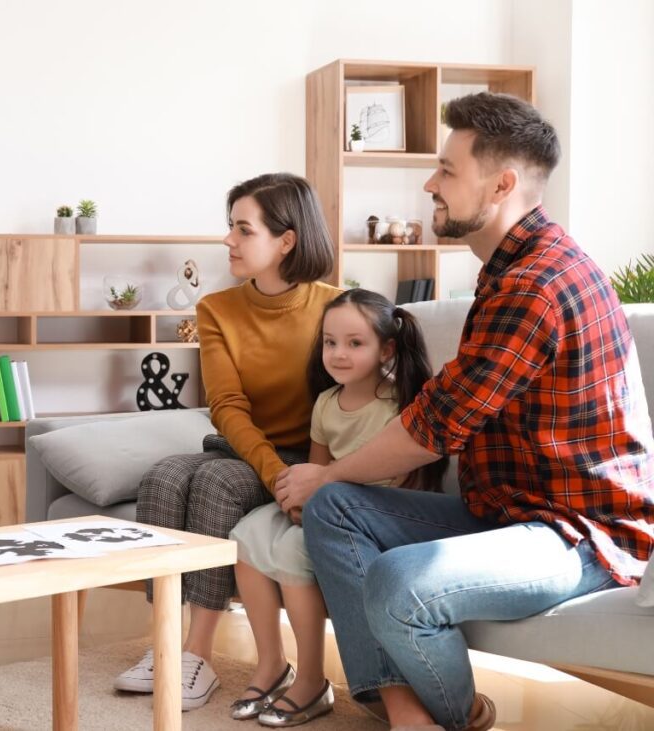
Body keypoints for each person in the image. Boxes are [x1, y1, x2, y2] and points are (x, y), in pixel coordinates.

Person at [277, 92, 654, 731]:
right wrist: (328, 486)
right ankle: (409, 713)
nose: (430, 184)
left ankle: (458, 713)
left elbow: (436, 427)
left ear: (502, 183)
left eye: (448, 171)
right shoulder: (503, 269)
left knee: (399, 580)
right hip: (505, 513)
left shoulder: (537, 283)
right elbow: (442, 407)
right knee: (333, 511)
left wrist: (329, 471)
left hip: (578, 532)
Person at [113, 172, 341, 710]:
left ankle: (197, 654)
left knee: (215, 481)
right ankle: (168, 643)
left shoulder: (337, 306)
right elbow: (227, 407)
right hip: (249, 451)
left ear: (287, 240)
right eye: (230, 227)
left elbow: (345, 405)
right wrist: (272, 475)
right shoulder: (217, 309)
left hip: (304, 457)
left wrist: (301, 478)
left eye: (243, 229)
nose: (228, 240)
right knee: (164, 475)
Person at [229, 288, 441, 727]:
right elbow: (317, 469)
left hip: (371, 516)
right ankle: (271, 663)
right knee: (245, 537)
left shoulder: (397, 406)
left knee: (291, 553)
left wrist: (321, 503)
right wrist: (295, 502)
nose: (338, 354)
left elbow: (402, 482)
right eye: (330, 342)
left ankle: (311, 679)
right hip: (326, 503)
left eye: (354, 343)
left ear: (386, 348)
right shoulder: (326, 404)